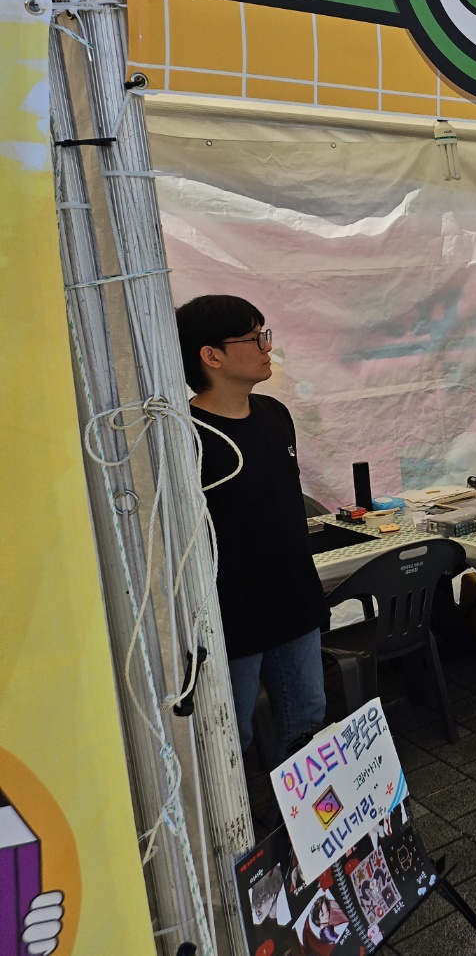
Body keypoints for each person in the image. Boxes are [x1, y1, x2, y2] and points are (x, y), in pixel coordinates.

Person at [175, 295, 327, 759]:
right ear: (211, 355)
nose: (267, 348)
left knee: (307, 717)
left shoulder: (275, 415)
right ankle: (234, 833)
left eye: (266, 335)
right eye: (254, 337)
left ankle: (297, 827)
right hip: (229, 617)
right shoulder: (187, 434)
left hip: (294, 603)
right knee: (228, 739)